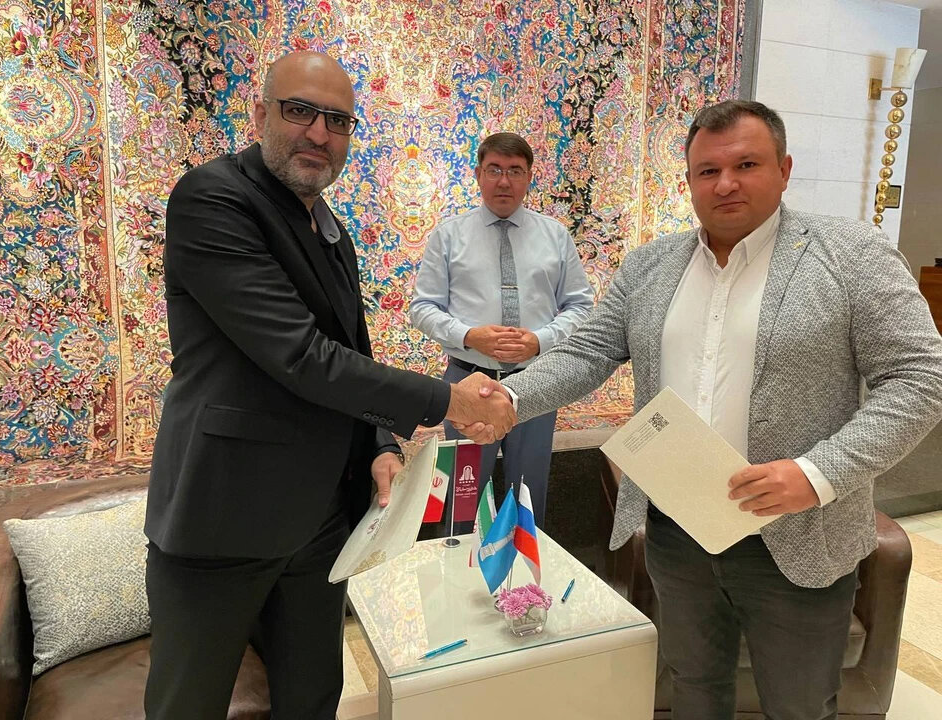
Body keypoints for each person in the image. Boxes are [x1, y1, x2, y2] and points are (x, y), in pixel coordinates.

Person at [459, 100, 942, 719]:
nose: (726, 183)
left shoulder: (852, 255)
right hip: (677, 533)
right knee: (692, 691)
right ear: (689, 180)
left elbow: (921, 377)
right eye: (708, 171)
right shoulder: (651, 265)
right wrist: (512, 397)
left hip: (798, 534)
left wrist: (819, 473)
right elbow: (586, 352)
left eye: (747, 165)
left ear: (784, 169)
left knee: (799, 705)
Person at [143, 51, 514, 720]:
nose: (319, 133)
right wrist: (448, 398)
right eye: (300, 111)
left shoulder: (330, 228)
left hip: (319, 522)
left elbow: (350, 352)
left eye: (338, 121)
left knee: (314, 697)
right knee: (187, 705)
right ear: (260, 114)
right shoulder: (214, 199)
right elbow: (301, 356)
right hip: (223, 518)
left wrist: (379, 446)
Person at [409, 132, 594, 529]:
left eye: (515, 171)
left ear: (529, 177)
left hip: (537, 383)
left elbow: (581, 307)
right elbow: (422, 308)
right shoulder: (449, 235)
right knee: (462, 498)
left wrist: (539, 341)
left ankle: (524, 571)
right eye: (494, 170)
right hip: (466, 382)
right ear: (478, 174)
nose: (504, 181)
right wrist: (468, 336)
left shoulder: (555, 236)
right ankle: (458, 562)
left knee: (527, 498)